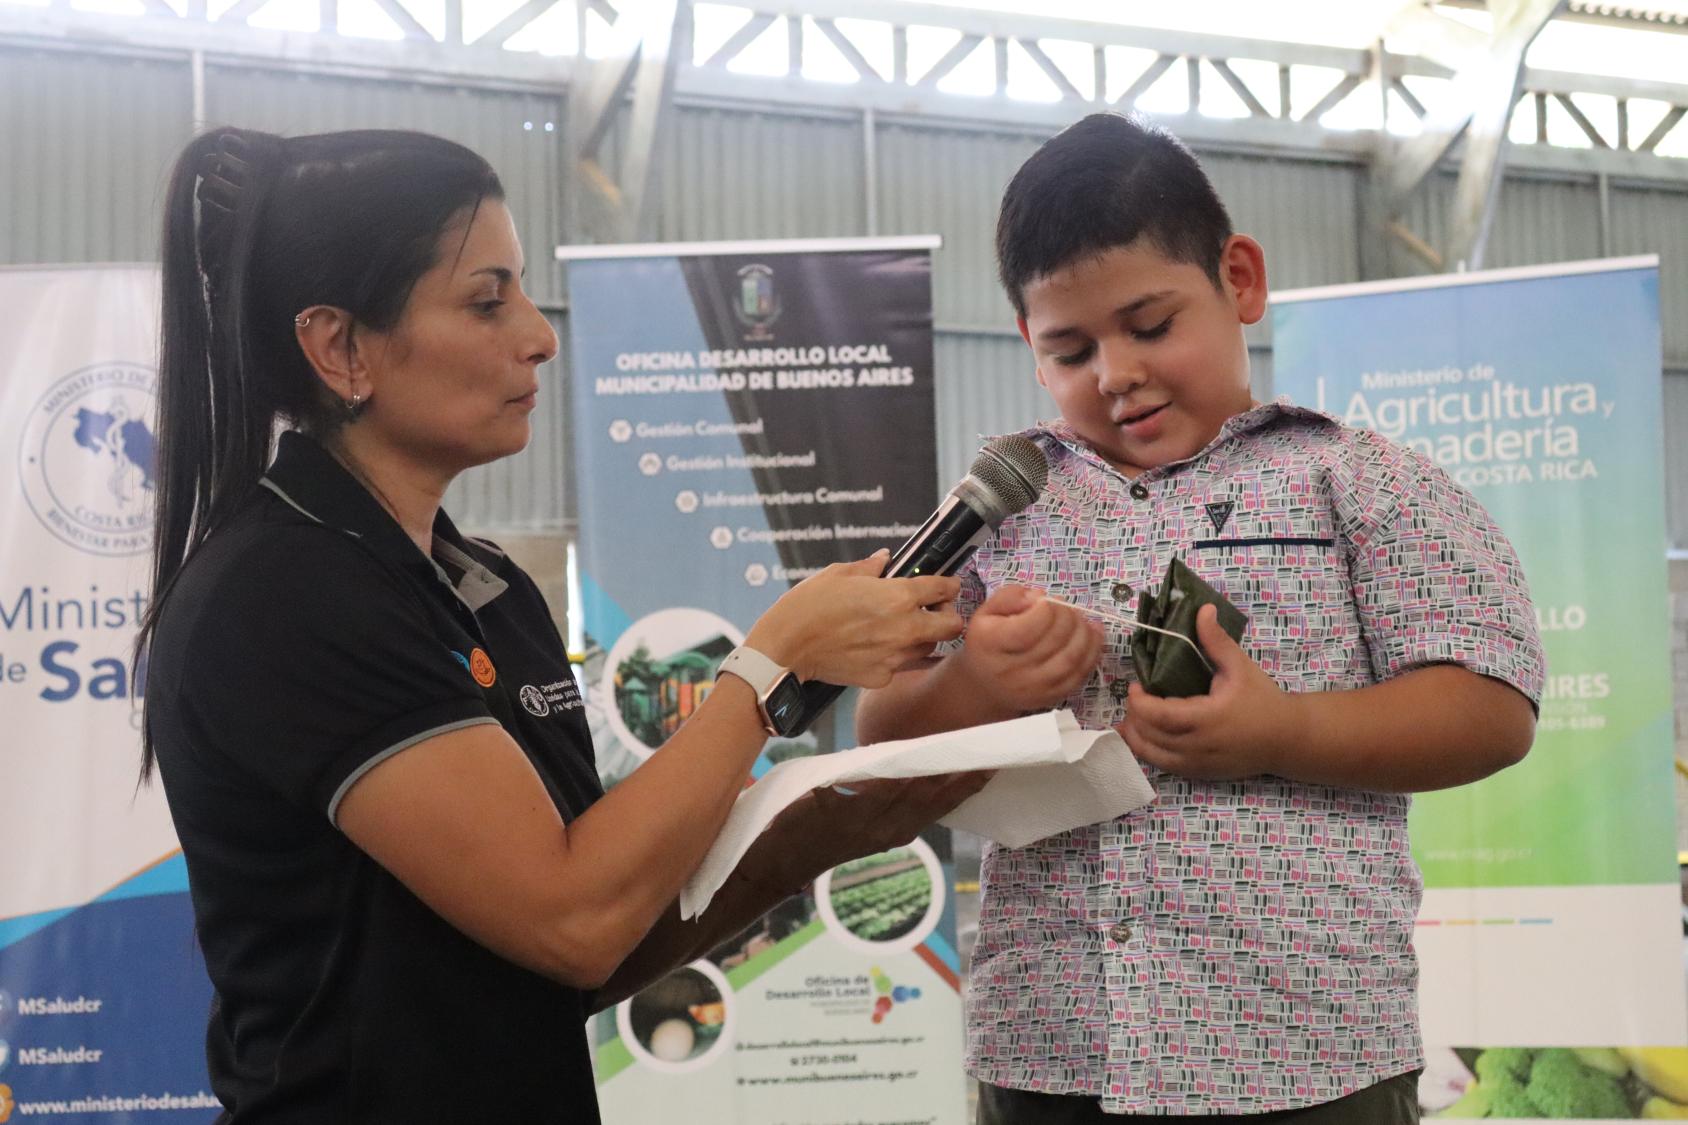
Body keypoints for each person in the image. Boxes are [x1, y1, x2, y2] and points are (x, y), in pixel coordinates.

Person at [136, 126, 986, 1124]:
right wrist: (767, 667)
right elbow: (570, 917)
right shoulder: (285, 594)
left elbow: (599, 941)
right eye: (486, 301)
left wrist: (811, 838)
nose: (538, 336)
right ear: (339, 346)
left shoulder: (483, 586)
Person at [856, 112, 1545, 1124]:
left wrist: (1282, 732)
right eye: (1069, 348)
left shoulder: (1356, 482)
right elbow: (881, 742)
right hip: (1051, 1057)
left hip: (1307, 1056)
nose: (1114, 373)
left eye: (1148, 324)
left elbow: (1491, 706)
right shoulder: (998, 515)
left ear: (1238, 281)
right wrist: (974, 686)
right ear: (1026, 347)